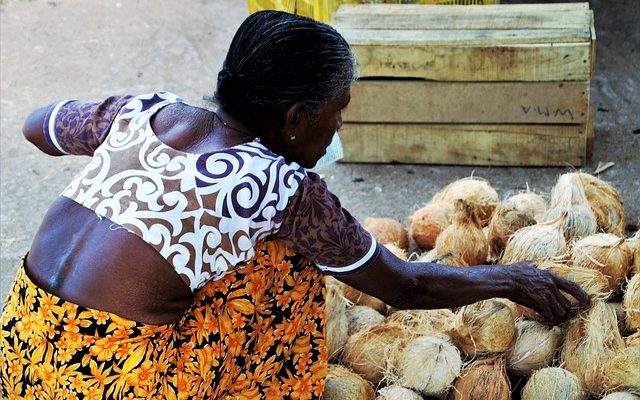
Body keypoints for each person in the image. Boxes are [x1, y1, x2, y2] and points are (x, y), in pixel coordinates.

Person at [0, 10, 589, 400]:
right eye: (336, 114)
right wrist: (510, 278)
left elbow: (36, 127)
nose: (335, 130)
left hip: (24, 345)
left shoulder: (144, 111)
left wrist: (128, 161)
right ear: (294, 118)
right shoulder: (282, 188)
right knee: (290, 268)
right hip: (115, 383)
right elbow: (405, 286)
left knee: (232, 249)